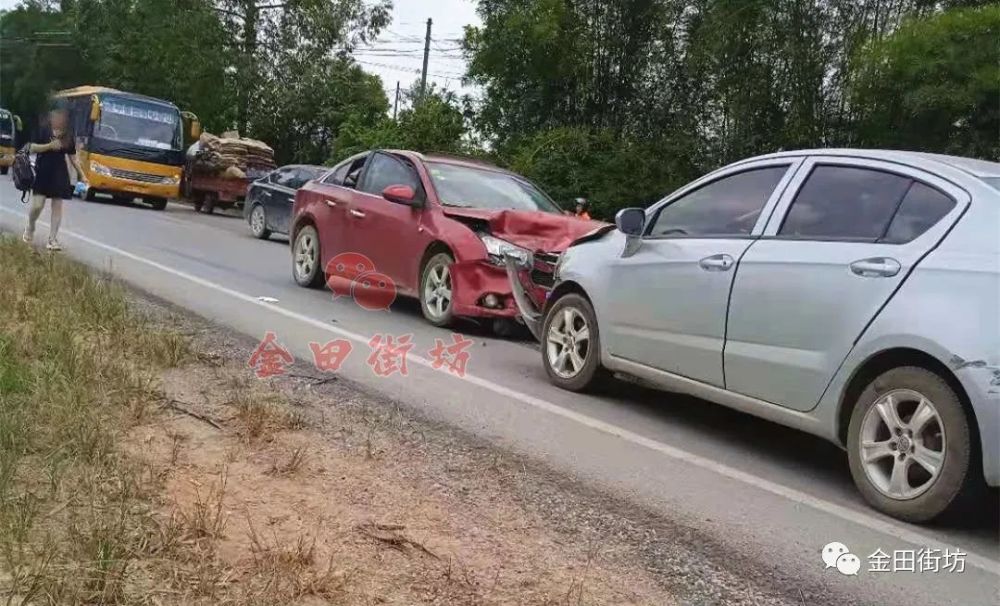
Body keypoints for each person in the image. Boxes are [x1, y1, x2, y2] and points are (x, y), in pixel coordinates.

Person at [23, 107, 82, 251]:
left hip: (59, 172)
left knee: (57, 205)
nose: (59, 119)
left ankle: (52, 239)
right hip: (43, 170)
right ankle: (30, 227)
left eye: (62, 116)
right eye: (56, 115)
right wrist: (49, 146)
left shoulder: (67, 135)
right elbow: (30, 148)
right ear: (51, 116)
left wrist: (82, 174)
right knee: (37, 205)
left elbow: (73, 157)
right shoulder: (43, 129)